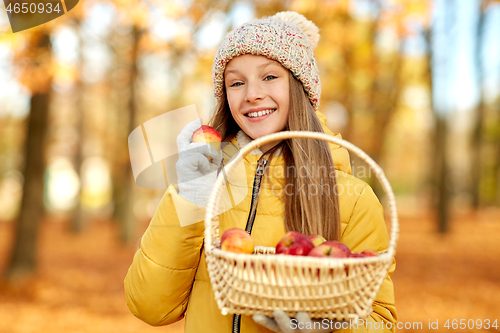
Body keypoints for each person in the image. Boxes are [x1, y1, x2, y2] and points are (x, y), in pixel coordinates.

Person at [124, 11, 397, 333]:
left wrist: (329, 327)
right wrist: (191, 195)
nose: (251, 93)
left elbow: (380, 321)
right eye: (236, 82)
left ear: (301, 88)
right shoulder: (209, 188)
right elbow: (151, 307)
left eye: (269, 77)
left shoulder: (351, 198)